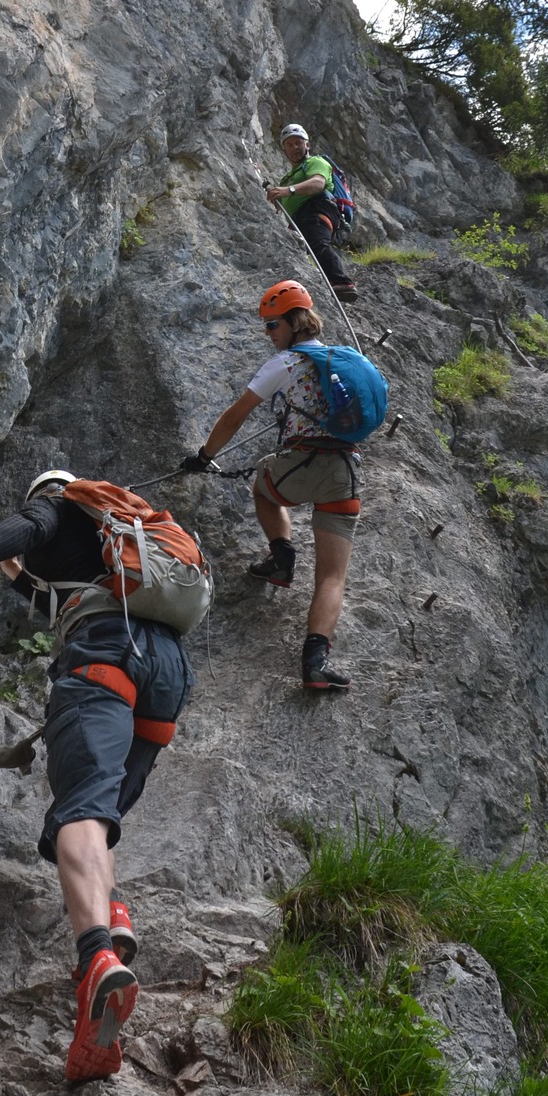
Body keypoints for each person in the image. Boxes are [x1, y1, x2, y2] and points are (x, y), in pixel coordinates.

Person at [0, 470, 197, 1083]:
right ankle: (113, 914)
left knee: (79, 813)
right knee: (100, 815)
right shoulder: (121, 545)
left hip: (107, 654)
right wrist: (12, 571)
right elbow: (40, 589)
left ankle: (97, 960)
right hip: (167, 672)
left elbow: (28, 529)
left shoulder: (56, 508)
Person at [181, 281, 358, 692]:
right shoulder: (343, 359)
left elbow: (234, 415)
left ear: (295, 322)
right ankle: (316, 664)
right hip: (346, 469)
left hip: (302, 460)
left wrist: (204, 457)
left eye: (272, 324)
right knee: (333, 576)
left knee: (263, 487)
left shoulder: (288, 362)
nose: (268, 333)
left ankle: (282, 557)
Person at [267, 122, 357, 303]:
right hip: (300, 218)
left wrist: (288, 191)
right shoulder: (289, 177)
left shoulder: (315, 162)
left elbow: (318, 184)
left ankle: (342, 282)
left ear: (307, 145)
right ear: (284, 149)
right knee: (310, 246)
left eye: (298, 143)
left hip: (317, 209)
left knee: (317, 243)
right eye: (289, 144)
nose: (294, 148)